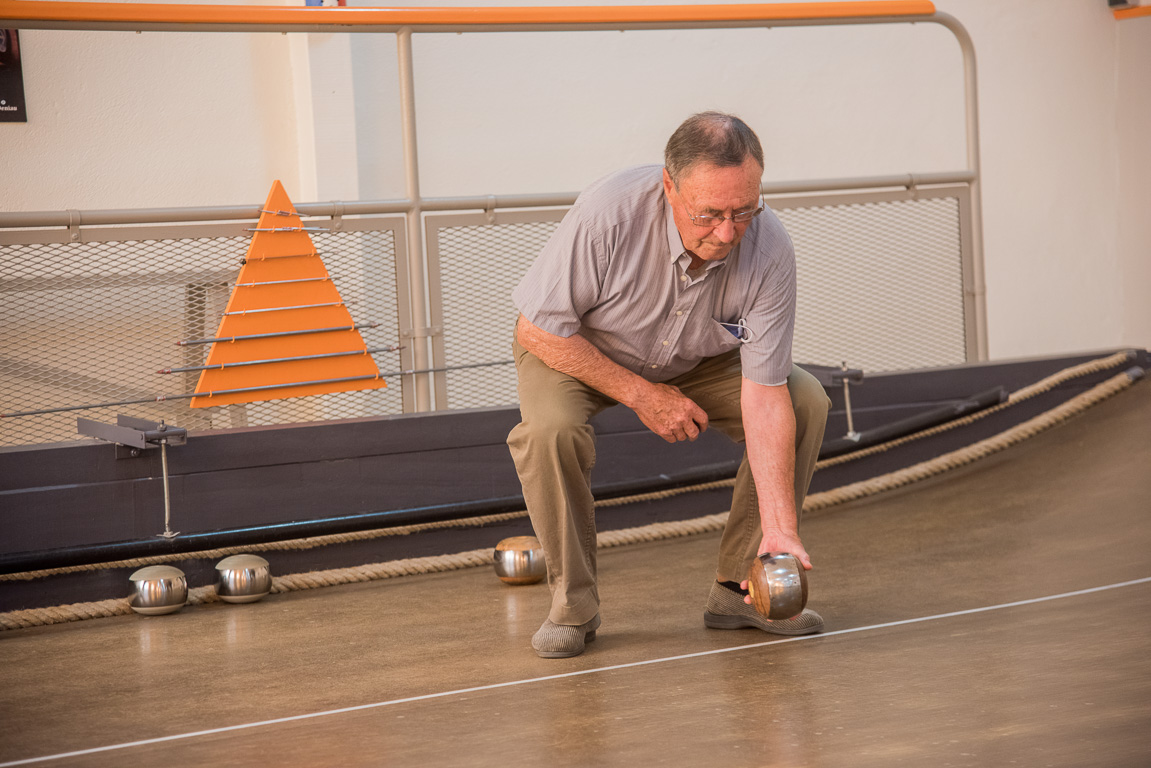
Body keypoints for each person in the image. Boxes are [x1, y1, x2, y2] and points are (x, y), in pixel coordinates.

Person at [507, 111, 830, 659]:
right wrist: (642, 395)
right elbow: (536, 328)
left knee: (806, 399)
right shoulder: (607, 213)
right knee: (549, 431)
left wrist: (781, 526)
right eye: (709, 215)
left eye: (742, 212)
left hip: (697, 359)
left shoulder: (771, 249)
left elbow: (766, 391)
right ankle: (574, 605)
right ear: (669, 186)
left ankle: (738, 594)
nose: (727, 234)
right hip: (577, 351)